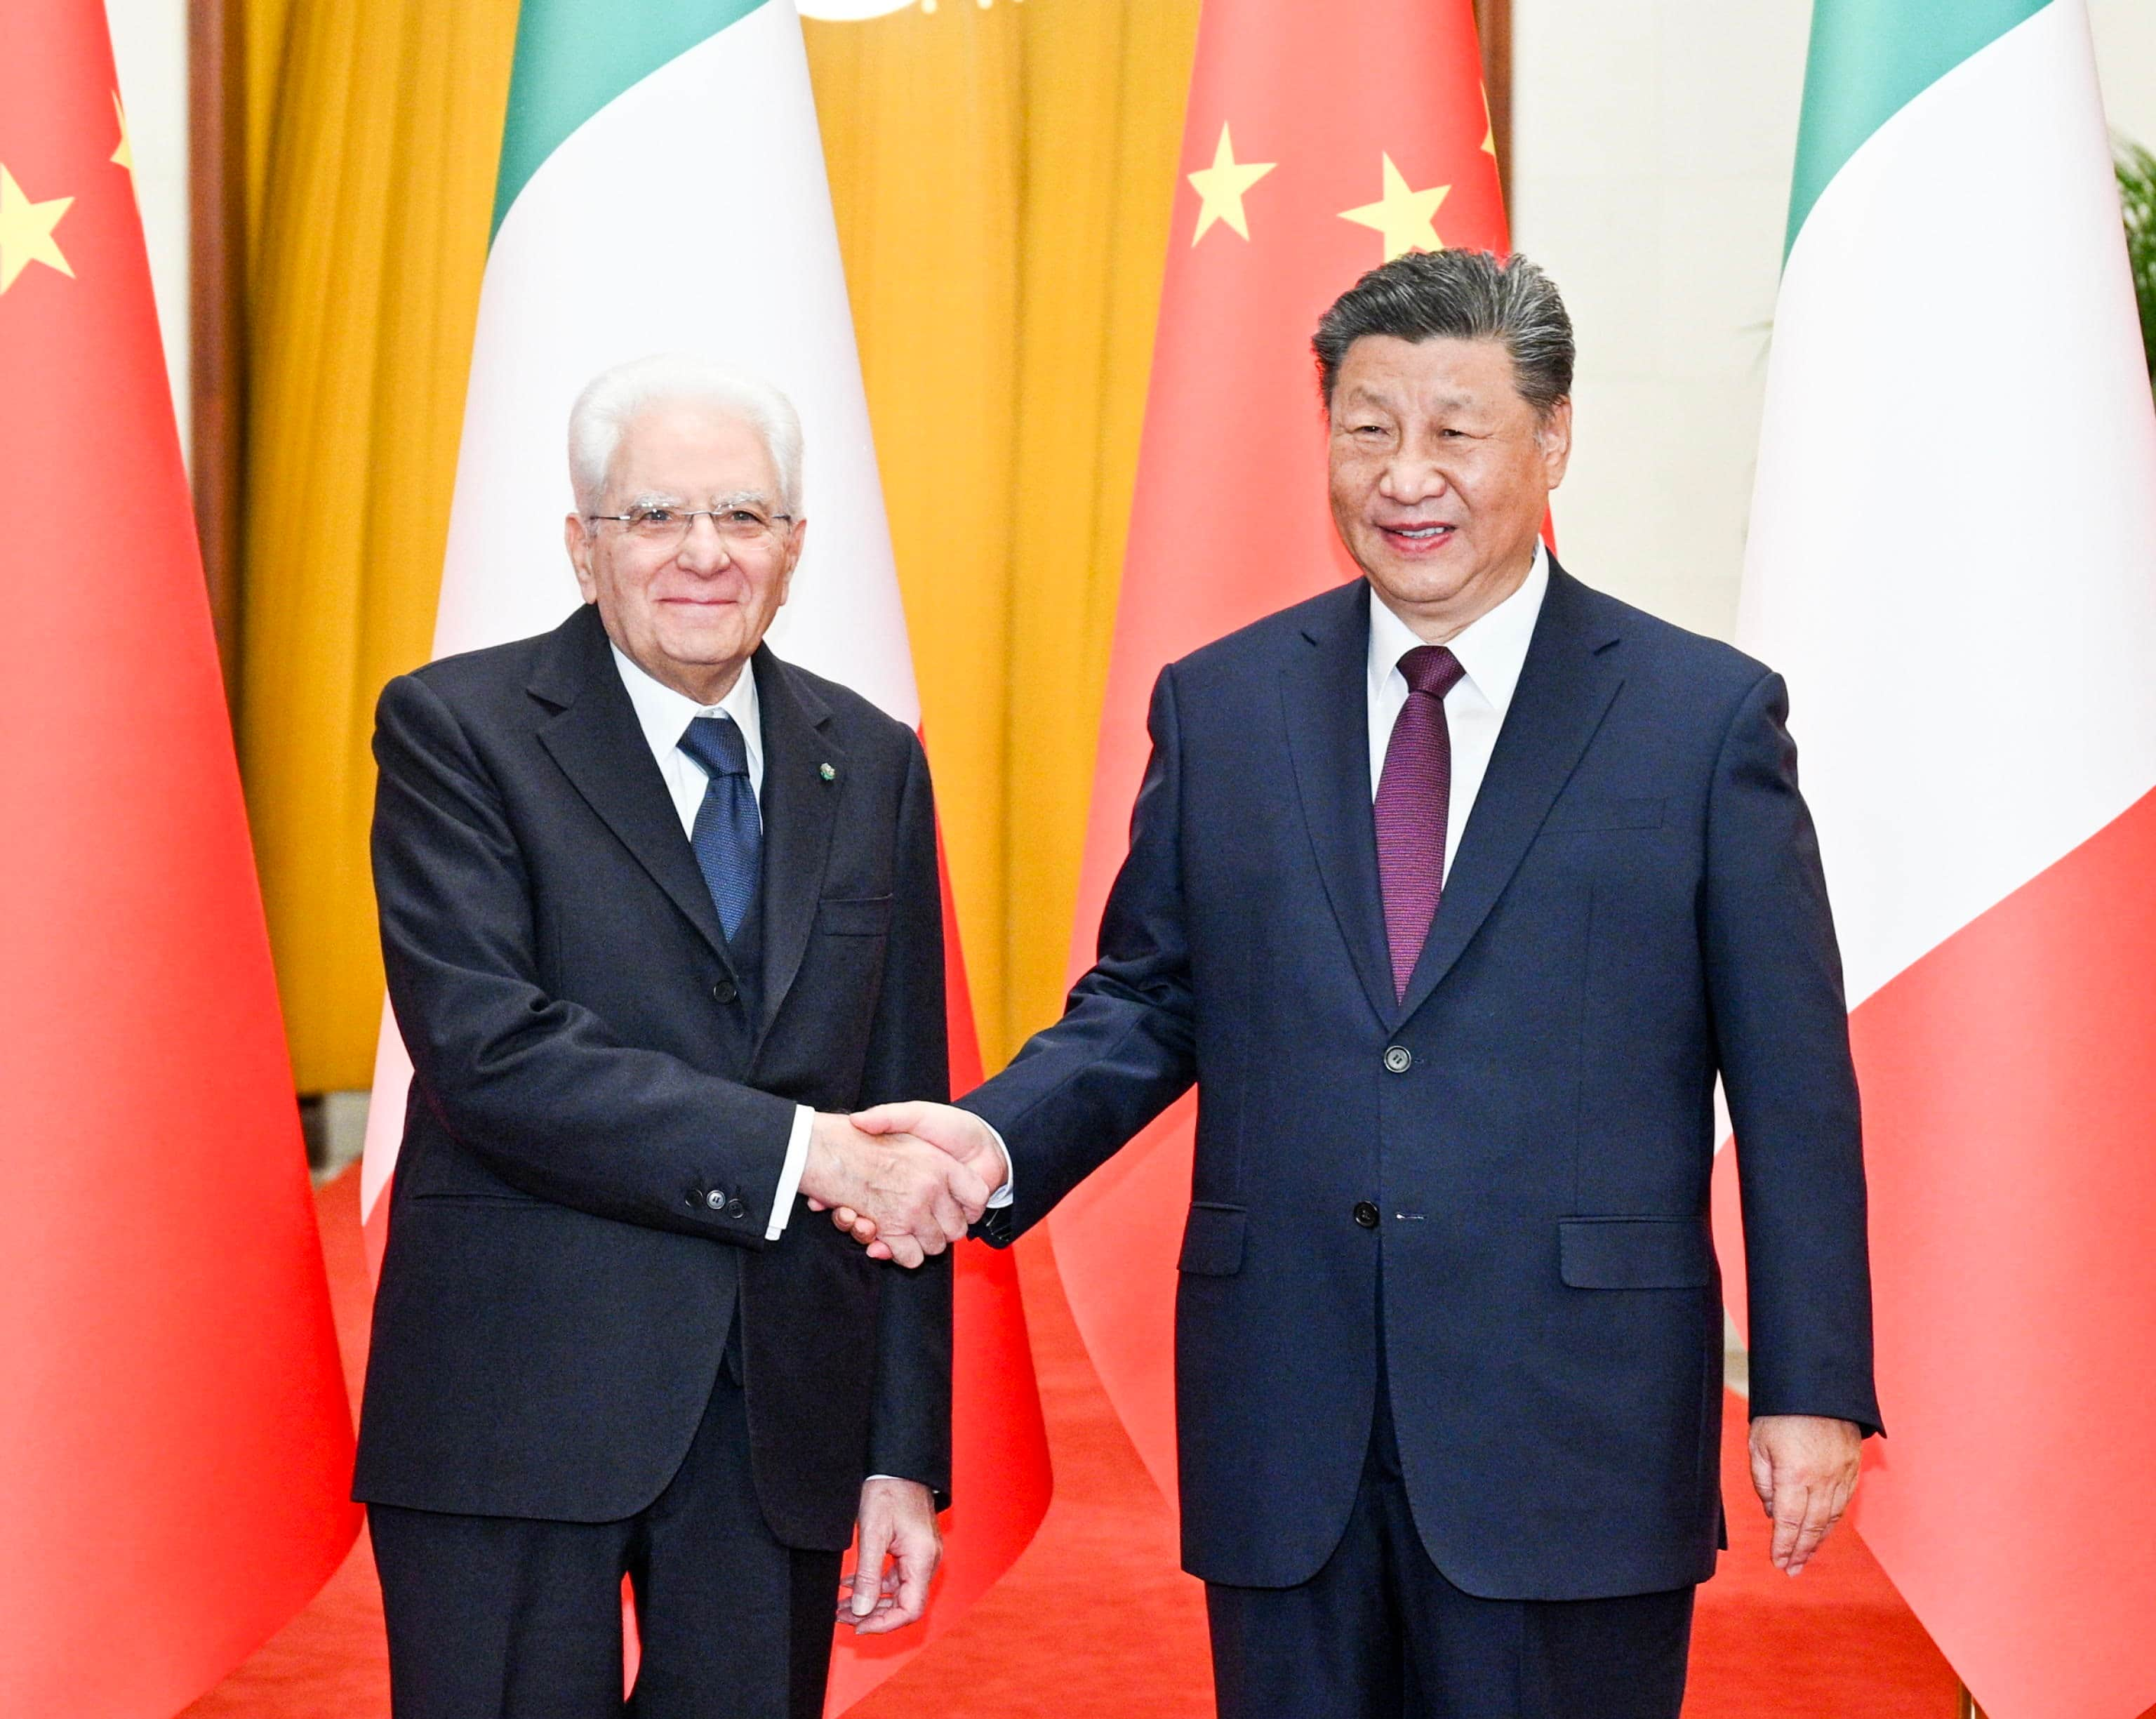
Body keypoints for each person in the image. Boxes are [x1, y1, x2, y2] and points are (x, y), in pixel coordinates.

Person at [841, 251, 1880, 1718]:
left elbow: (1791, 1085)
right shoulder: (1224, 702)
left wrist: (1808, 1380)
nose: (1408, 475)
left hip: (1567, 1423)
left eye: (1457, 429)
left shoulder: (1701, 720)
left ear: (1554, 438)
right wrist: (994, 1137)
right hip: (1290, 1413)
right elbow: (1148, 999)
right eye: (1366, 425)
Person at [354, 353, 988, 1719]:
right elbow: (492, 1052)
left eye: (744, 518)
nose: (704, 554)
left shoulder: (871, 757)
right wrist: (800, 1153)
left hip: (782, 1424)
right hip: (514, 1409)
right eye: (655, 518)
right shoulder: (455, 730)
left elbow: (902, 1107)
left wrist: (900, 1455)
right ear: (585, 546)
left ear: (796, 547)